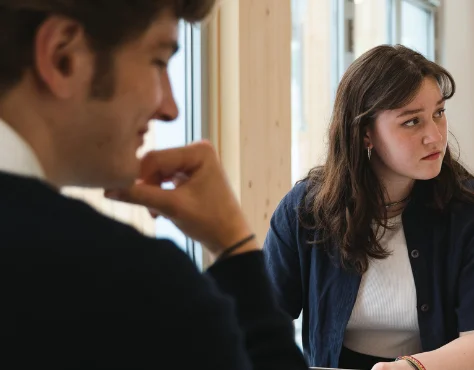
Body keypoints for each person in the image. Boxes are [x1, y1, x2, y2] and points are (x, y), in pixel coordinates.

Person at [0, 1, 307, 369]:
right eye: (158, 61)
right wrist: (235, 246)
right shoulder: (136, 289)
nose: (171, 108)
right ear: (64, 55)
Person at [264, 45, 474, 370]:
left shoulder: (470, 210)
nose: (435, 136)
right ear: (366, 133)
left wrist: (409, 367)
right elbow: (261, 323)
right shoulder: (306, 211)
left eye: (438, 113)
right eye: (411, 122)